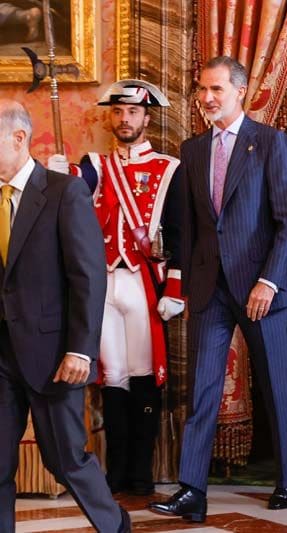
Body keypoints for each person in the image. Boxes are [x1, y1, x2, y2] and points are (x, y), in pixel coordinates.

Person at [148, 55, 287, 521]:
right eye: (201, 90)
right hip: (209, 290)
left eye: (216, 89)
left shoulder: (270, 142)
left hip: (262, 290)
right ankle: (192, 489)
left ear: (240, 91)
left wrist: (269, 281)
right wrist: (186, 284)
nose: (207, 98)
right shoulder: (191, 149)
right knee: (201, 392)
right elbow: (193, 227)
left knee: (277, 389)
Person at [0, 100, 130, 532]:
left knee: (66, 460)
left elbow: (88, 277)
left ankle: (116, 527)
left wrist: (81, 349)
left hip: (53, 354)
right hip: (0, 356)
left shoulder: (63, 192)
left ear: (19, 138)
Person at [48, 79, 183, 496]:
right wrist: (54, 174)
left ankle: (141, 472)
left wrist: (174, 288)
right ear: (111, 117)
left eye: (133, 113)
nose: (125, 120)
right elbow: (67, 201)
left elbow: (180, 231)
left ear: (147, 118)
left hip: (143, 285)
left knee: (144, 376)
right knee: (113, 379)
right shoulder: (94, 165)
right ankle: (116, 472)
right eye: (119, 112)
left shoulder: (167, 168)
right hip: (102, 288)